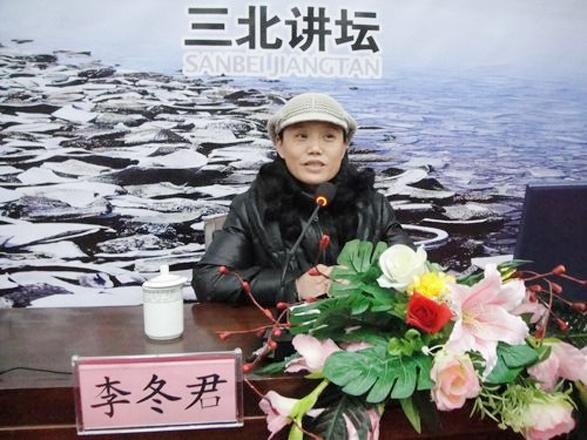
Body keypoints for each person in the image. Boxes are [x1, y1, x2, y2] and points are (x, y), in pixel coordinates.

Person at [193, 92, 413, 306]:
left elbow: (414, 271)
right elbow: (210, 280)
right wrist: (292, 286)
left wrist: (361, 280)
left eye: (329, 137)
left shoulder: (374, 205)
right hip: (282, 327)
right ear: (279, 145)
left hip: (360, 328)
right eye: (301, 136)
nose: (315, 149)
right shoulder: (251, 206)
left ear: (344, 146)